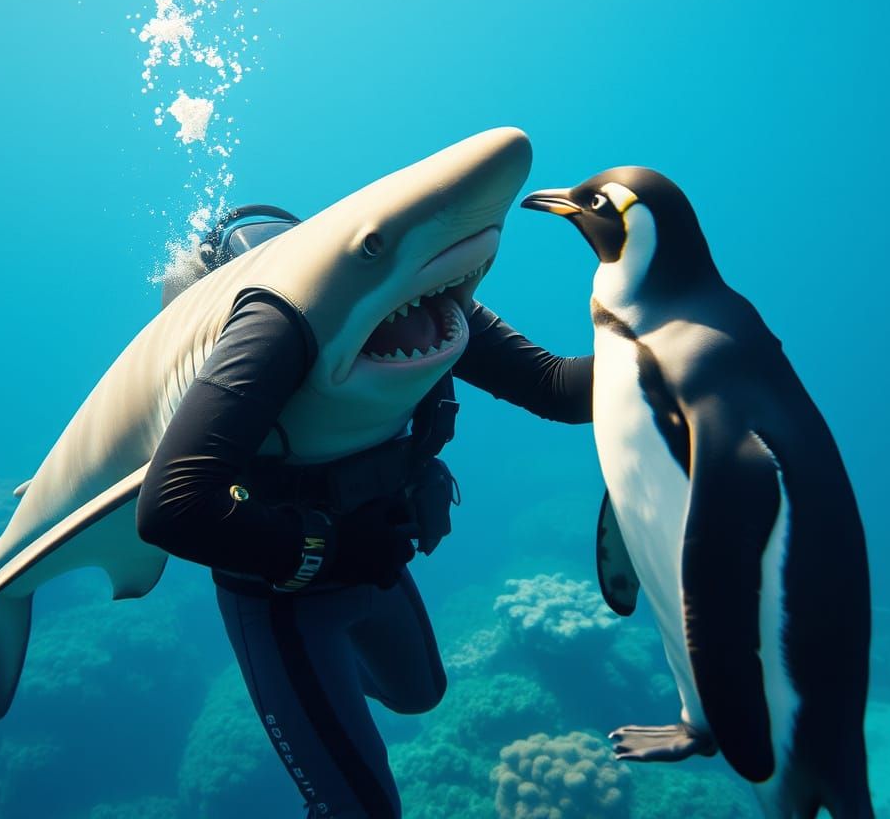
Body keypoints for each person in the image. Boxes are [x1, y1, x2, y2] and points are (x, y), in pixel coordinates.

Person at [136, 206, 592, 819]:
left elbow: (556, 386)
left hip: (378, 562)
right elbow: (171, 509)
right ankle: (312, 712)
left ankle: (329, 697)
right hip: (281, 603)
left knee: (422, 695)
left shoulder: (416, 295)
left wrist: (669, 350)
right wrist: (329, 549)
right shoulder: (267, 341)